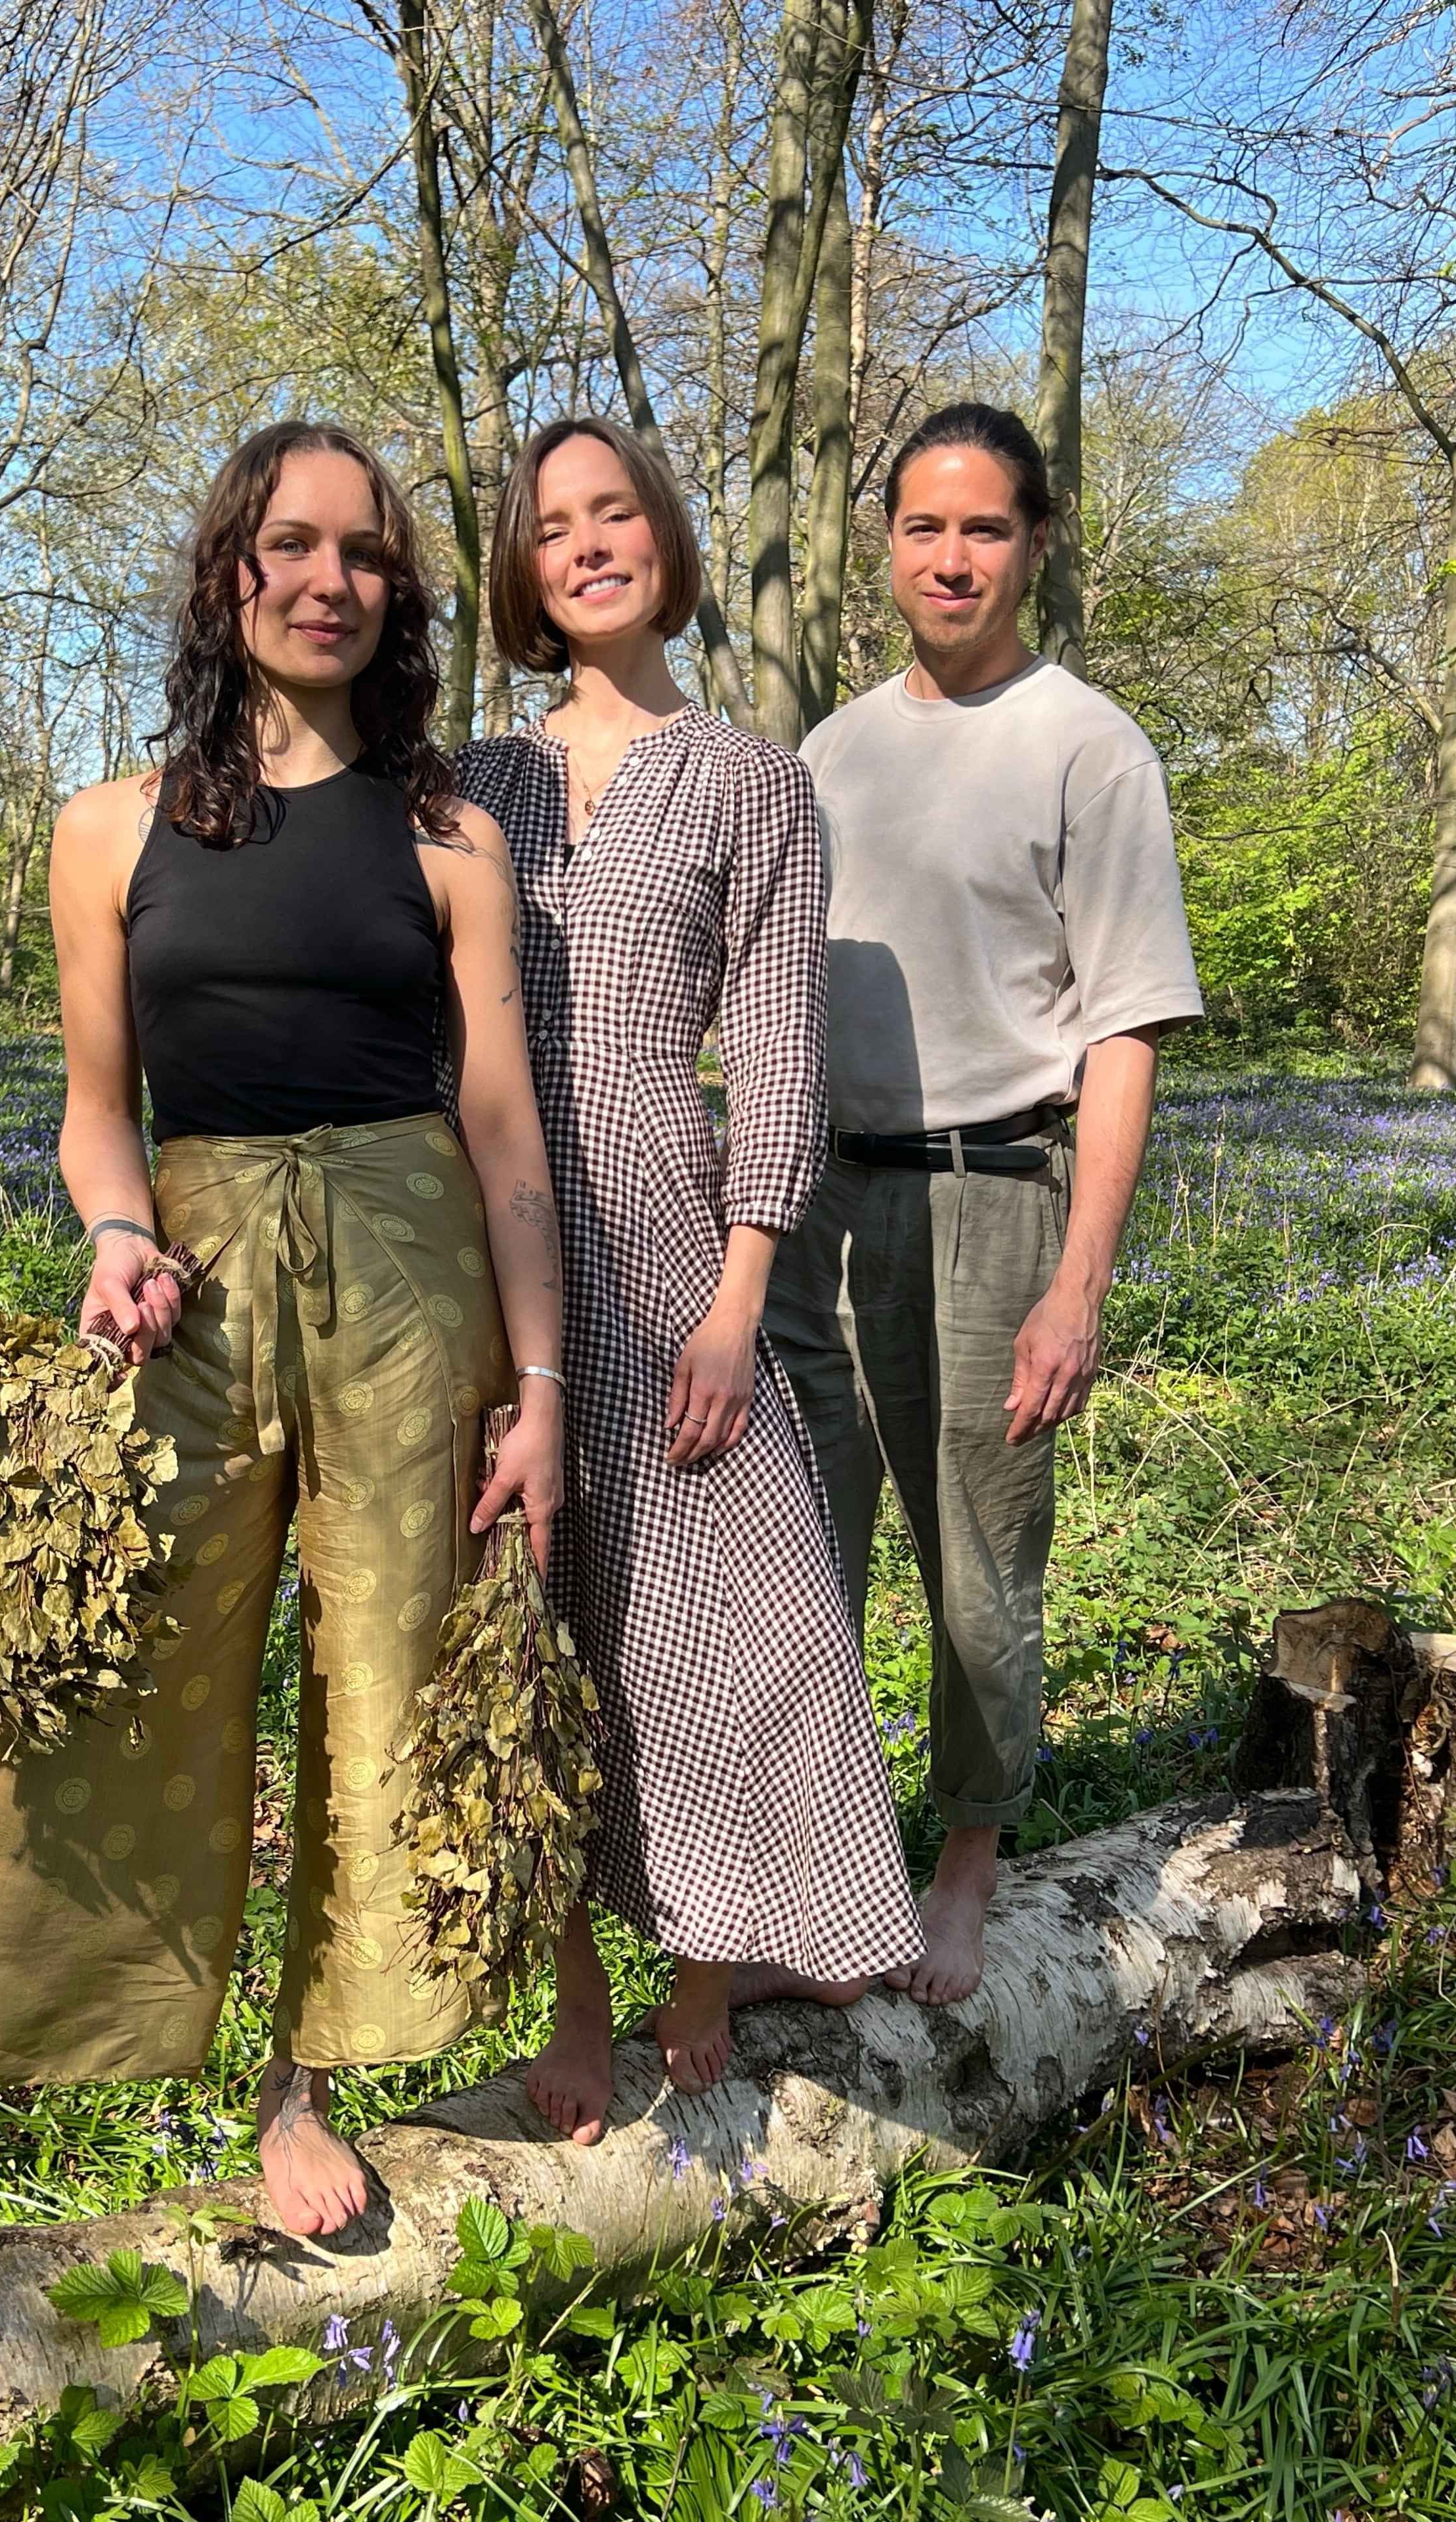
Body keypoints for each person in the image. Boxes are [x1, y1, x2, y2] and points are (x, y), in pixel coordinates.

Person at [0, 420, 566, 2334]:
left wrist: (545, 1380)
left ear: (399, 595)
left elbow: (503, 1135)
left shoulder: (451, 837)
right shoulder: (109, 825)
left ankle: (301, 2086)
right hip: (199, 1270)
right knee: (62, 1670)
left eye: (367, 553)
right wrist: (115, 1234)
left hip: (418, 1277)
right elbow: (98, 1118)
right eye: (292, 545)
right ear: (230, 572)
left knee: (386, 1666)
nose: (331, 579)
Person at [455, 418, 924, 2144]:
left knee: (734, 1617)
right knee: (540, 1609)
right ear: (522, 570)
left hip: (669, 1242)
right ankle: (579, 1982)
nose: (588, 544)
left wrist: (739, 1298)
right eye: (554, 525)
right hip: (490, 1236)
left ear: (667, 539)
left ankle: (711, 1955)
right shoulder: (468, 783)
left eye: (618, 513)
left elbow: (783, 1051)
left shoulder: (751, 780)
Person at [763, 399, 1204, 2009]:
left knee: (977, 1561)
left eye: (987, 528)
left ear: (1035, 545)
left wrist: (1077, 1284)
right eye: (925, 527)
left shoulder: (1088, 744)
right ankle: (808, 1889)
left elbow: (1127, 1029)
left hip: (996, 1194)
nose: (953, 558)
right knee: (800, 1552)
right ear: (887, 547)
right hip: (820, 1197)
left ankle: (963, 1861)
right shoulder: (830, 751)